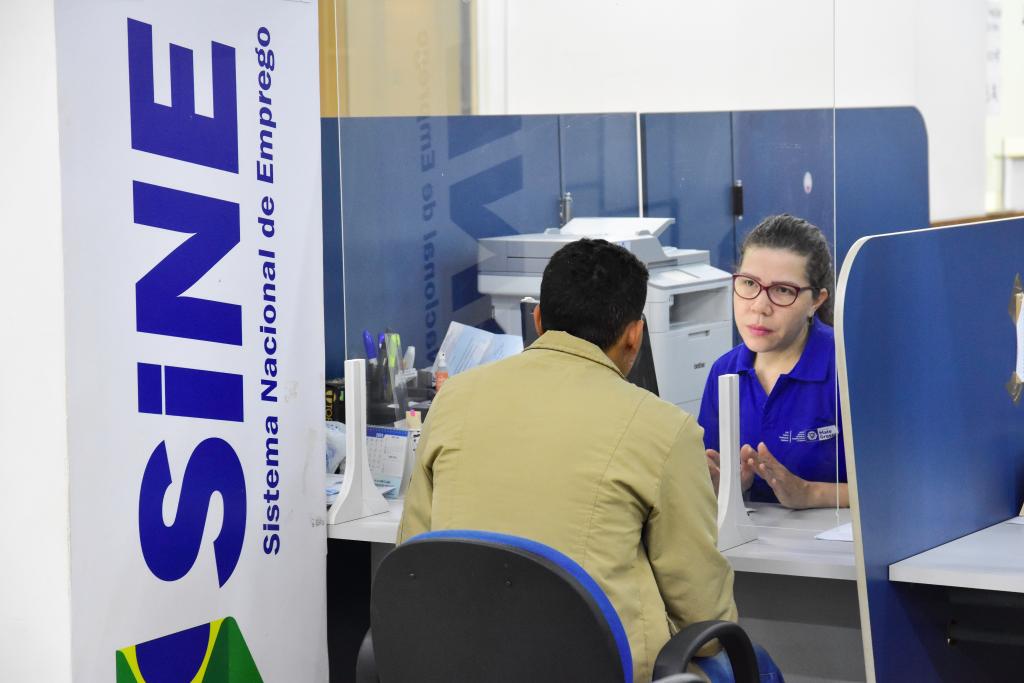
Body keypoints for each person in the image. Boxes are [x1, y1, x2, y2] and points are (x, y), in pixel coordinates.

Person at [398, 238, 738, 683]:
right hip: (599, 670)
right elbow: (704, 621)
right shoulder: (665, 429)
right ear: (634, 335)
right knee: (749, 662)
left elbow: (414, 562)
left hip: (463, 666)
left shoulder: (452, 400)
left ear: (538, 320)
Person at [699, 214, 847, 509]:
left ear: (816, 301)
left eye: (783, 290)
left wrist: (809, 493)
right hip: (752, 537)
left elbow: (901, 487)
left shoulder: (846, 366)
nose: (759, 306)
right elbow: (709, 487)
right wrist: (730, 487)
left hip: (839, 537)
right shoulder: (724, 371)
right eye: (749, 283)